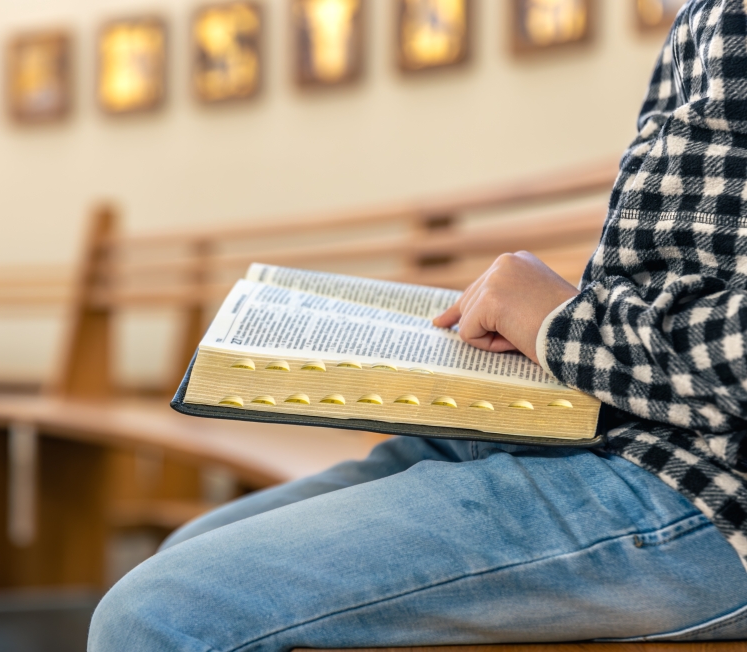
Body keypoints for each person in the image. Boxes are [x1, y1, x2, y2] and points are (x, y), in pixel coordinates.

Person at [88, 1, 747, 649]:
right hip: (608, 415)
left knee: (158, 616)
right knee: (185, 553)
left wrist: (560, 320)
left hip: (703, 481)